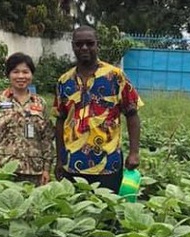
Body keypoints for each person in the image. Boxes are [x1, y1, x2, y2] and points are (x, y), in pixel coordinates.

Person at [54, 26, 142, 193]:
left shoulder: (115, 76)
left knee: (106, 214)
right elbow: (60, 120)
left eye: (90, 43)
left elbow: (132, 114)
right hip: (72, 163)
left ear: (97, 45)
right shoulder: (64, 81)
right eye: (79, 44)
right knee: (74, 214)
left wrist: (134, 152)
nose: (84, 48)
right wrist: (59, 159)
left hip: (108, 163)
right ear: (73, 46)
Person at [0, 52, 54, 184]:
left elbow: (46, 138)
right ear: (9, 74)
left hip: (34, 172)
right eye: (16, 72)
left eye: (25, 72)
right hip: (3, 170)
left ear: (31, 75)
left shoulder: (40, 103)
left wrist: (46, 168)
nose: (21, 76)